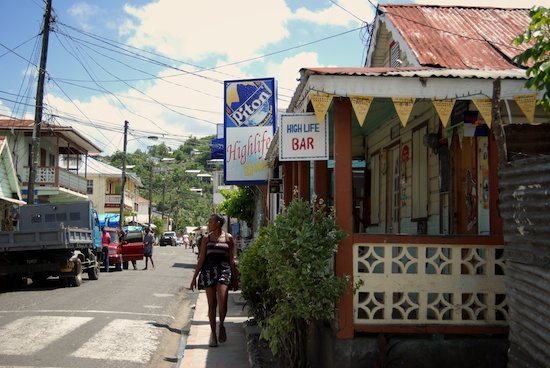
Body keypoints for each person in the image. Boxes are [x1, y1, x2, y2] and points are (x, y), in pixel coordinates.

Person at [189, 214, 238, 347]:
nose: (208, 224)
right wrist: (194, 278)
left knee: (223, 302)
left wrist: (235, 278)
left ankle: (221, 325)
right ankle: (213, 335)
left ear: (217, 223)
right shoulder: (206, 238)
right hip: (209, 272)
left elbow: (232, 259)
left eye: (210, 222)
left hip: (224, 271)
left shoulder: (229, 238)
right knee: (212, 304)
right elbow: (201, 259)